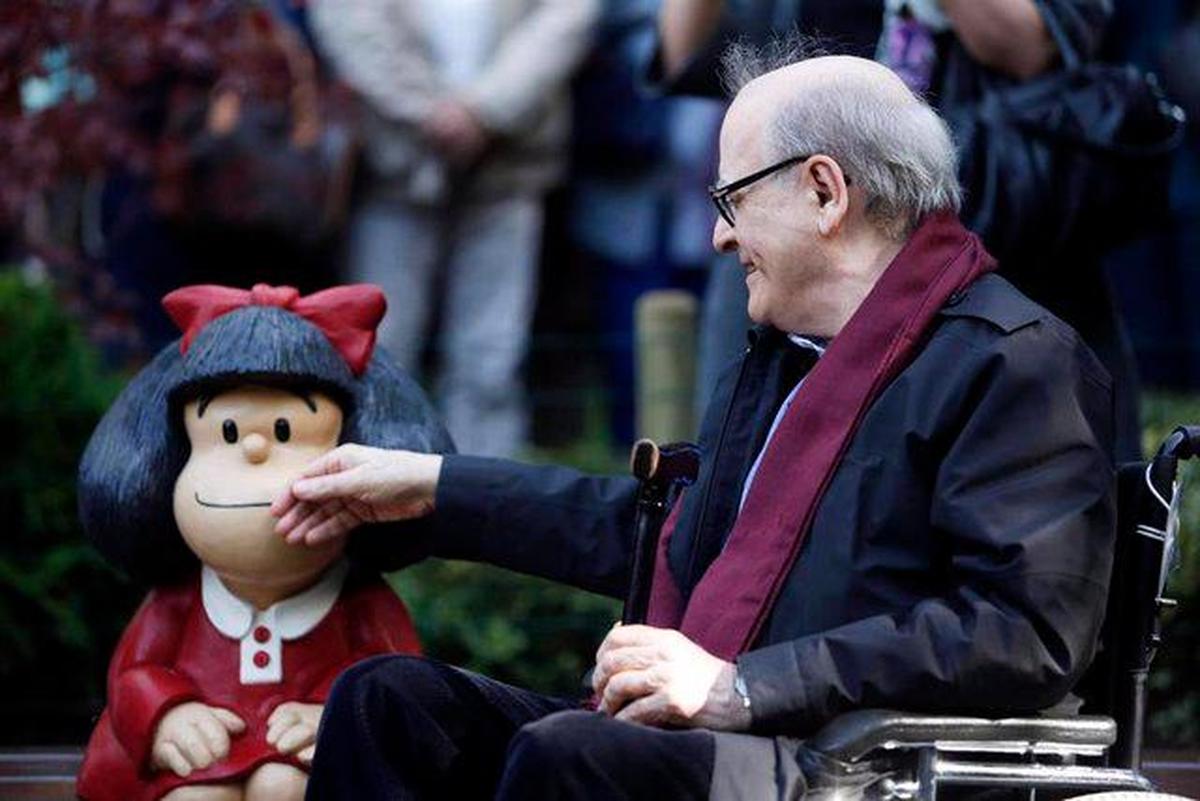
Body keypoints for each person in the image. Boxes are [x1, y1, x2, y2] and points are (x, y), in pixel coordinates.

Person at [273, 51, 1116, 800]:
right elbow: (666, 539)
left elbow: (1022, 631)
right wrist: (434, 487)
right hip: (744, 739)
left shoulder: (1014, 362)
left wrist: (741, 686)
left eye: (732, 198)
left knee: (575, 757)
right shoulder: (785, 362)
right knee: (387, 705)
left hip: (847, 761)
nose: (718, 234)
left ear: (825, 191)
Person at [308, 0, 599, 458]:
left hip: (508, 168)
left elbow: (567, 17)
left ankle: (485, 500)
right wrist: (429, 111)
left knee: (492, 359)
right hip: (393, 170)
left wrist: (486, 110)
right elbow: (348, 21)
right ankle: (369, 490)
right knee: (381, 350)